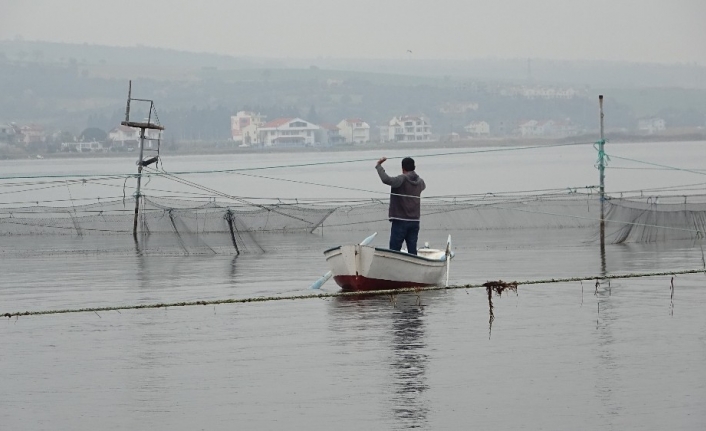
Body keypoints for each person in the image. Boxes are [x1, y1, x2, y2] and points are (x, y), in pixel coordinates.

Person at [375, 156, 426, 255]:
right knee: (412, 251)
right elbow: (423, 187)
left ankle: (394, 269)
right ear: (414, 167)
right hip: (415, 221)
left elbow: (387, 180)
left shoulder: (402, 179)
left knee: (394, 251)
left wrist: (379, 166)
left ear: (403, 168)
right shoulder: (420, 181)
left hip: (400, 221)